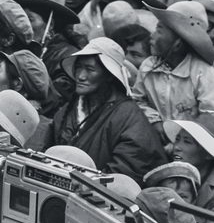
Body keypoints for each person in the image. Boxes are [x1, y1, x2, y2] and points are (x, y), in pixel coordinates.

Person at [51, 37, 168, 183]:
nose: (80, 76)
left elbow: (124, 173)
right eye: (79, 67)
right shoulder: (68, 110)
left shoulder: (129, 117)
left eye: (90, 69)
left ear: (108, 76)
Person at [134, 1, 214, 140]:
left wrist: (180, 140)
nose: (152, 36)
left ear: (177, 44)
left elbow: (209, 115)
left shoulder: (203, 72)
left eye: (159, 30)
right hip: (155, 139)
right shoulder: (148, 66)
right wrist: (154, 121)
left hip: (193, 144)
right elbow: (137, 100)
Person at [163, 117, 214, 214]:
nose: (176, 147)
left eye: (187, 142)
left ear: (208, 154)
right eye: (177, 139)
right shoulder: (166, 175)